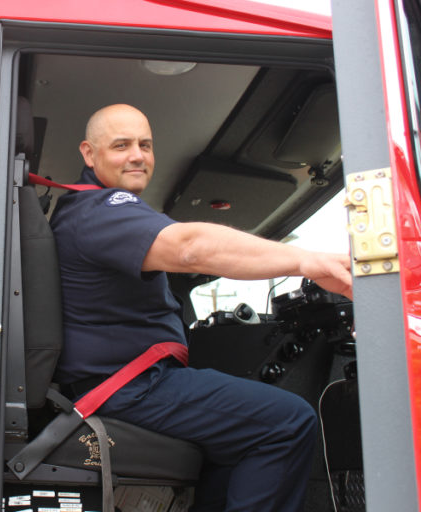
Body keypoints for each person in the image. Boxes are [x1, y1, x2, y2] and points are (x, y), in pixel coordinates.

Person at [49, 104, 353, 512]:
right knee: (287, 422)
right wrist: (305, 262)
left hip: (127, 380)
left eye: (145, 144)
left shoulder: (93, 211)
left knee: (235, 440)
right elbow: (190, 248)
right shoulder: (102, 210)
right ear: (89, 153)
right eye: (121, 145)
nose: (137, 155)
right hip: (130, 385)